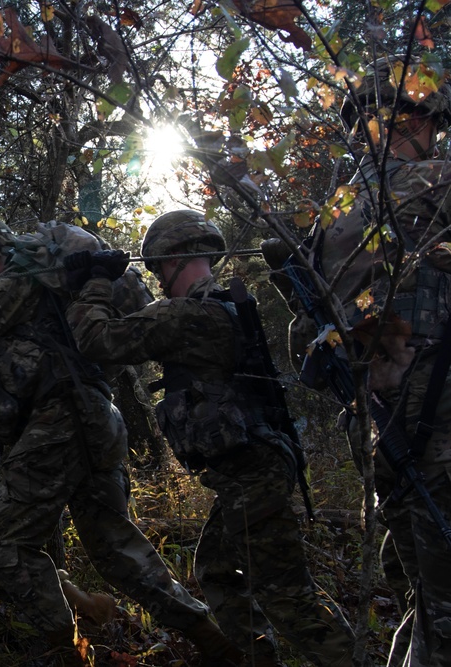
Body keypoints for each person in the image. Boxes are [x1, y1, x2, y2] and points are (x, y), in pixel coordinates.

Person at [0, 216, 241, 665]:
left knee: (7, 547)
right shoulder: (56, 277)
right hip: (98, 418)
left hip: (55, 423)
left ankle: (64, 651)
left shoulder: (12, 284)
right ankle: (209, 635)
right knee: (115, 546)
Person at [65, 210, 356, 667]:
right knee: (217, 571)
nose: (158, 278)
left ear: (177, 257)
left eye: (158, 266)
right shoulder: (227, 305)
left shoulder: (183, 315)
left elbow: (98, 341)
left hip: (251, 476)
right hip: (250, 472)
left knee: (289, 600)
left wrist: (95, 283)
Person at [267, 55, 451, 667]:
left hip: (381, 433)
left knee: (427, 600)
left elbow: (310, 351)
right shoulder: (431, 183)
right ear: (415, 119)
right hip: (436, 434)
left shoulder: (333, 219)